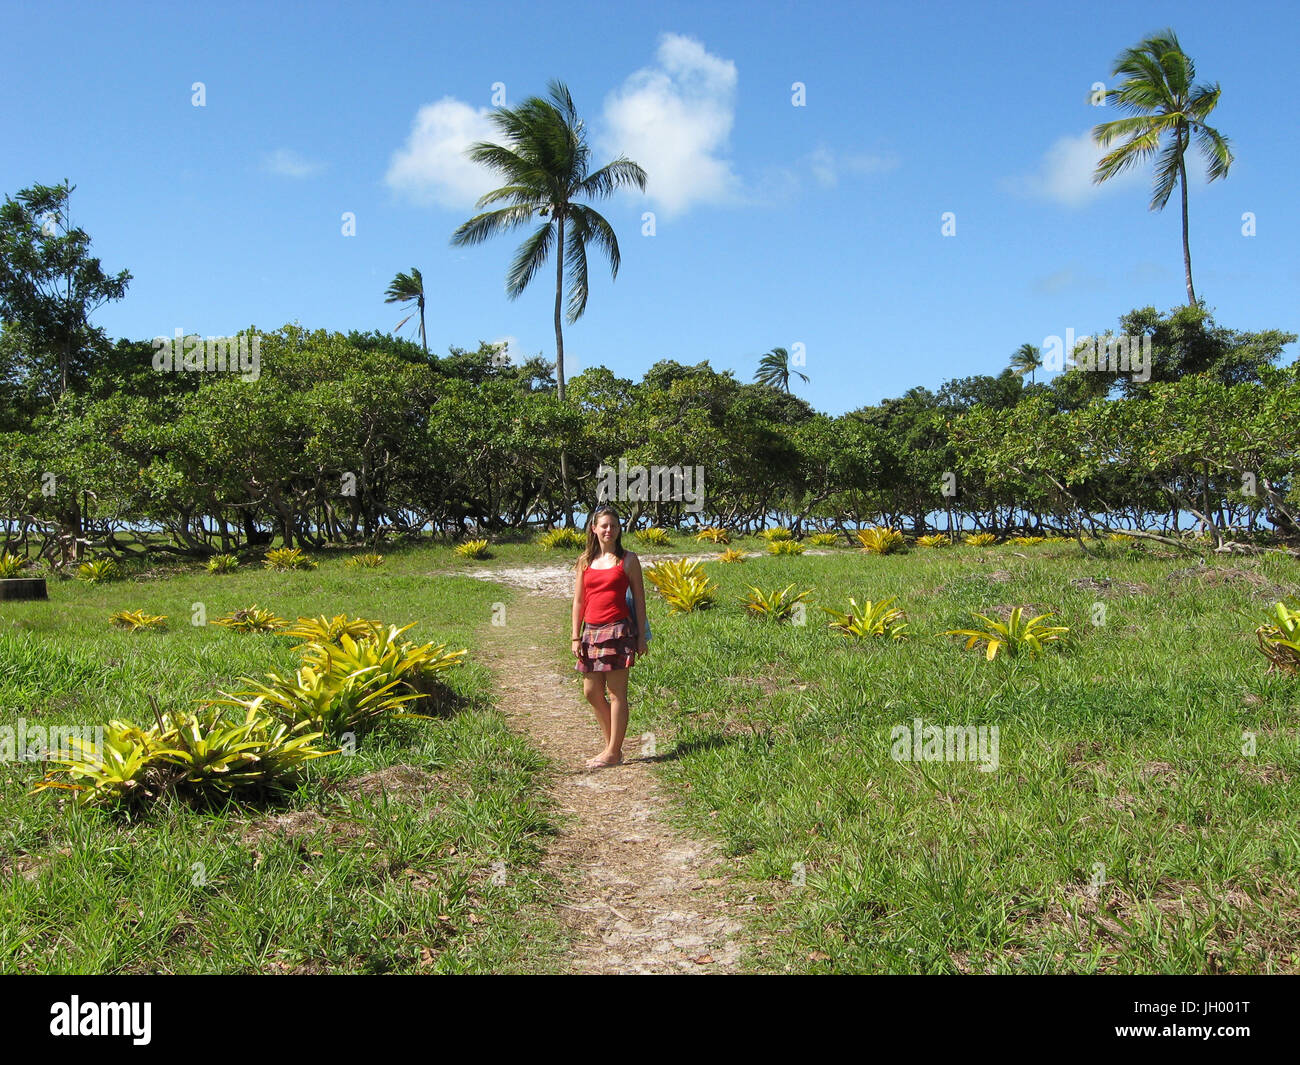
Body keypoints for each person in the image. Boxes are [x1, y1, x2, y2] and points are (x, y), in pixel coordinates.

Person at [571, 505, 648, 769]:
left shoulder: (628, 560)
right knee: (591, 692)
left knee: (617, 694)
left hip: (619, 631)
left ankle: (613, 751)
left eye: (613, 526)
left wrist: (640, 636)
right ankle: (612, 746)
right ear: (594, 528)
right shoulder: (584, 561)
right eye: (604, 525)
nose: (609, 530)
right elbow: (579, 600)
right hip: (591, 632)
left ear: (619, 530)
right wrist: (574, 636)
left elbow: (639, 598)